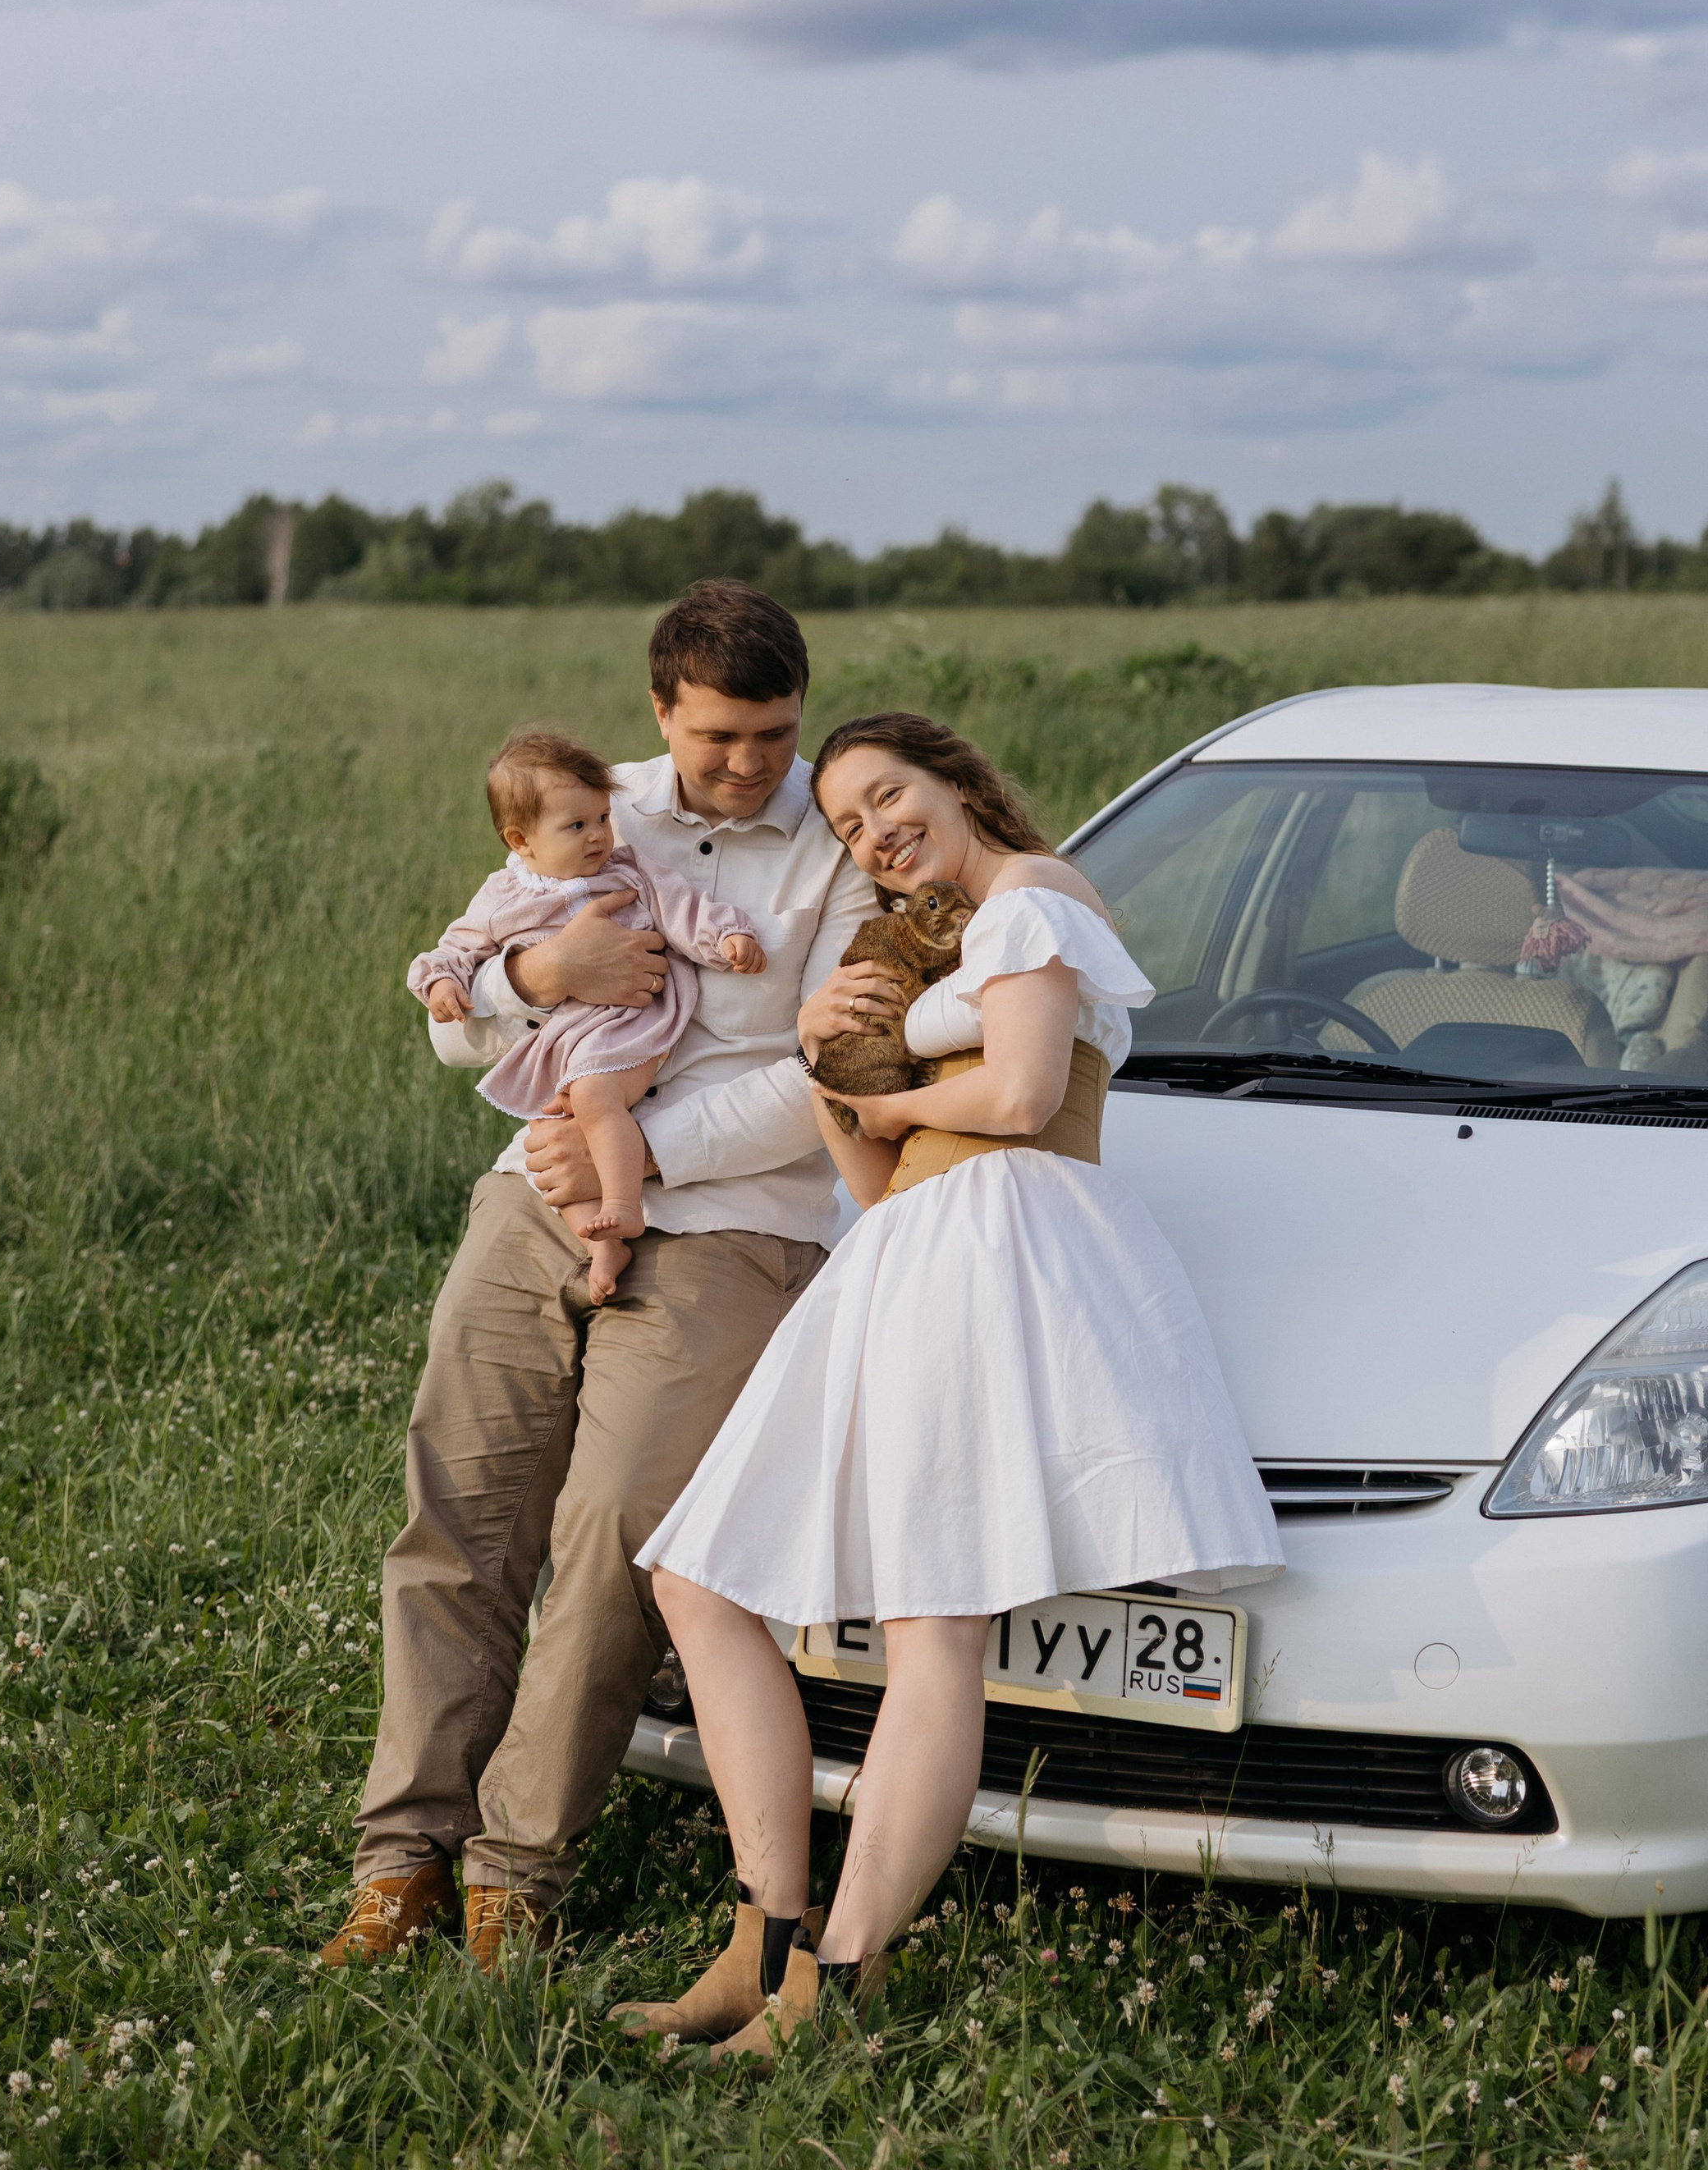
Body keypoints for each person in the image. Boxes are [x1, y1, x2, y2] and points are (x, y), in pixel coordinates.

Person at [621, 711, 1282, 2058]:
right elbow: (873, 1183)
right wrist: (824, 1065)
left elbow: (1027, 1096)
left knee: (934, 1627)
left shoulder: (1037, 896)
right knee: (697, 1578)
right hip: (909, 1247)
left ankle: (834, 1980)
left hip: (1001, 1238)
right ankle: (765, 1937)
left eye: (890, 795)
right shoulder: (931, 946)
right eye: (849, 825)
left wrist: (895, 1104)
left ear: (958, 779)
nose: (874, 832)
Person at [320, 584, 891, 1973]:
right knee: (459, 1512)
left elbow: (826, 1071)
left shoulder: (841, 852)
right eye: (717, 735)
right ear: (660, 711)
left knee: (616, 1528)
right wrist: (538, 969)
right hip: (533, 1201)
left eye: (775, 733)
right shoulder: (586, 807)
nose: (748, 762)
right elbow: (454, 1024)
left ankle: (516, 1867)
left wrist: (642, 1154)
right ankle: (401, 1855)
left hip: (739, 1222)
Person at [408, 726, 767, 1301]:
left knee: (597, 1100)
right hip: (564, 1043)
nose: (599, 834)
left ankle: (623, 1204)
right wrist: (442, 981)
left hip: (631, 1024)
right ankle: (600, 1242)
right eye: (577, 826)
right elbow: (459, 946)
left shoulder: (628, 871)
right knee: (548, 1136)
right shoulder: (502, 896)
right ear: (521, 840)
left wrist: (725, 937)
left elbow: (683, 906)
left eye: (602, 817)